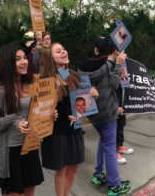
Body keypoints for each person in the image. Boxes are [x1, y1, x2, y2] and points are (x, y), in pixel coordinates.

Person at [0, 44, 55, 196]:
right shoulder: (0, 92)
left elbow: (39, 110)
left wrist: (49, 114)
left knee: (30, 189)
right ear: (7, 63)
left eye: (25, 57)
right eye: (17, 59)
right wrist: (13, 122)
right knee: (14, 192)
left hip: (30, 146)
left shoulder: (32, 84)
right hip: (10, 151)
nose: (24, 62)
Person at [39, 43, 98, 196]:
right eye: (58, 51)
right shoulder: (46, 80)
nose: (64, 52)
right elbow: (40, 109)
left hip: (75, 129)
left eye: (64, 49)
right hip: (58, 132)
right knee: (62, 169)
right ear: (50, 58)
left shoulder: (71, 75)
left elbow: (80, 101)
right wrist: (51, 114)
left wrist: (92, 94)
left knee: (74, 167)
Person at [78, 37, 131, 196]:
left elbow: (83, 87)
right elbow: (115, 84)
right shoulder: (110, 66)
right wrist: (119, 64)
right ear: (110, 50)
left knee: (103, 141)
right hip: (108, 114)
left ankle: (98, 173)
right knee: (110, 147)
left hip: (92, 113)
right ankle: (115, 184)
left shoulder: (83, 67)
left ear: (95, 49)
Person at [106, 41, 134, 165]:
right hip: (114, 97)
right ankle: (114, 150)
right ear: (115, 52)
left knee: (121, 121)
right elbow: (111, 85)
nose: (124, 53)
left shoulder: (121, 63)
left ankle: (120, 145)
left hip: (121, 93)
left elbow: (123, 79)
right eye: (121, 51)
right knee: (115, 123)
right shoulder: (109, 65)